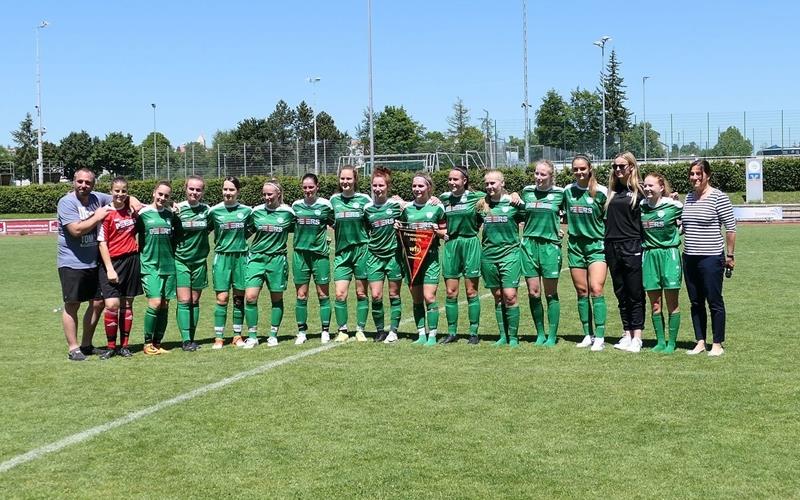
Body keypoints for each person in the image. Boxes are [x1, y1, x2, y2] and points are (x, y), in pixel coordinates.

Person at [681, 159, 736, 356]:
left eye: (699, 174)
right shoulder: (688, 198)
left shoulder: (718, 198)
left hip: (712, 258)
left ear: (708, 175)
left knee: (714, 301)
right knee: (695, 302)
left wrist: (729, 255)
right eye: (692, 174)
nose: (694, 177)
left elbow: (730, 228)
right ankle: (700, 341)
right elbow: (684, 226)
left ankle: (717, 343)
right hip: (689, 257)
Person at [57, 169, 112, 361]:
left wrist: (137, 202)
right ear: (73, 182)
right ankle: (73, 348)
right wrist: (97, 217)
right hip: (72, 263)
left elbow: (123, 196)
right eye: (80, 181)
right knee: (72, 304)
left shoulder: (98, 198)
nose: (83, 185)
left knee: (98, 302)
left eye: (88, 182)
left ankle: (86, 345)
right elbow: (76, 230)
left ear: (93, 184)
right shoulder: (67, 202)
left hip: (94, 263)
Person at [243, 180, 296, 348]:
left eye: (270, 194)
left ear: (278, 194)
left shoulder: (288, 213)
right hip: (256, 259)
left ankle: (273, 334)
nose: (266, 197)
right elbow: (246, 232)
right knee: (250, 297)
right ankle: (252, 336)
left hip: (277, 260)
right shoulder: (256, 212)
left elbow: (301, 229)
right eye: (264, 194)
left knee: (276, 298)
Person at [565, 155, 609, 351]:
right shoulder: (567, 191)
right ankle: (587, 334)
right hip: (575, 246)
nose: (579, 172)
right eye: (575, 169)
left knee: (596, 289)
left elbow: (610, 220)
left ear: (590, 168)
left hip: (596, 246)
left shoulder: (601, 192)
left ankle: (600, 336)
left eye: (582, 168)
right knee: (582, 292)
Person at [604, 152, 647, 353]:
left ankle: (637, 337)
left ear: (631, 166)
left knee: (635, 292)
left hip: (632, 245)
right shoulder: (611, 191)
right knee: (620, 292)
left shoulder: (640, 190)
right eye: (615, 166)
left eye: (622, 166)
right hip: (611, 246)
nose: (618, 169)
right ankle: (627, 332)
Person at [520, 160, 565, 347]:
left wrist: (559, 230)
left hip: (549, 246)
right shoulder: (527, 192)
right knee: (533, 292)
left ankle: (552, 335)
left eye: (543, 174)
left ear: (551, 176)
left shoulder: (561, 193)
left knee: (550, 293)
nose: (539, 178)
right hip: (529, 245)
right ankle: (540, 333)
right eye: (537, 173)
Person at [398, 172, 447, 346]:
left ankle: (432, 335)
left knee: (430, 297)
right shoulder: (406, 209)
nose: (417, 189)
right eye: (414, 186)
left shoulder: (437, 208)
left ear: (429, 187)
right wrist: (397, 227)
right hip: (411, 260)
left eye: (421, 186)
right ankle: (421, 334)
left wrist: (437, 231)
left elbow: (445, 233)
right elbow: (400, 230)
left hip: (431, 259)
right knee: (417, 298)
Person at [97, 177, 143, 359]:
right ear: (111, 191)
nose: (120, 194)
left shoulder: (132, 211)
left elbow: (155, 206)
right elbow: (102, 243)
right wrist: (109, 268)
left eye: (124, 191)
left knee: (127, 304)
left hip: (131, 260)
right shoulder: (106, 213)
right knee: (112, 304)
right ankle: (110, 346)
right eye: (117, 190)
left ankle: (124, 346)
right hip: (112, 263)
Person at [478, 170, 524, 347]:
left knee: (510, 295)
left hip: (510, 254)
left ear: (502, 183)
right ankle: (503, 336)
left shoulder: (513, 202)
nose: (489, 187)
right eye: (487, 184)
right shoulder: (481, 204)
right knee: (497, 296)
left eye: (493, 183)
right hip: (488, 255)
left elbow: (533, 215)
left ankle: (513, 337)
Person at [439, 167, 484, 344]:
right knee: (451, 292)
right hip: (451, 245)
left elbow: (493, 196)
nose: (452, 183)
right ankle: (452, 332)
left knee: (471, 291)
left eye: (455, 179)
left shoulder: (475, 196)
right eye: (450, 179)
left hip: (470, 243)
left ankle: (473, 333)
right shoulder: (443, 199)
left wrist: (514, 196)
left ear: (464, 181)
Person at [208, 177, 252, 349]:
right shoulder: (214, 211)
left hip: (241, 257)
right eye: (225, 189)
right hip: (222, 257)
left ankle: (237, 335)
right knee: (222, 298)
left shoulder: (247, 211)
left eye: (231, 190)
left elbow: (252, 228)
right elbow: (205, 228)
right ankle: (218, 337)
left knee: (239, 298)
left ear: (237, 191)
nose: (228, 193)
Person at [641, 173, 683, 354]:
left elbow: (687, 222)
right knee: (655, 303)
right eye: (645, 185)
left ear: (661, 188)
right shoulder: (641, 206)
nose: (648, 189)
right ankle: (660, 341)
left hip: (669, 255)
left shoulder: (673, 205)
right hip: (650, 255)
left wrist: (679, 230)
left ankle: (672, 343)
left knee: (672, 302)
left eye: (651, 186)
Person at [330, 166, 372, 342]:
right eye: (342, 179)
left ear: (355, 180)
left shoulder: (365, 200)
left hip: (361, 251)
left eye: (348, 179)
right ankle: (342, 330)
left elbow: (375, 217)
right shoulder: (333, 200)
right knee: (340, 294)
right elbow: (326, 220)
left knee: (361, 293)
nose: (345, 182)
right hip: (342, 253)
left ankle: (360, 329)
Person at [291, 173, 335, 344]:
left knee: (323, 294)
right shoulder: (296, 206)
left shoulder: (325, 205)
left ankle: (325, 330)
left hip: (319, 256)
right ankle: (301, 332)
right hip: (300, 255)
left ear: (317, 187)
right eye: (305, 187)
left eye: (311, 187)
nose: (308, 190)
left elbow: (335, 223)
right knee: (301, 295)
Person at [363, 166, 404, 343]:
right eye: (375, 185)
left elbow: (417, 206)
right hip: (374, 256)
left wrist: (433, 199)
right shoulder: (367, 209)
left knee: (394, 294)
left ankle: (393, 330)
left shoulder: (396, 206)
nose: (378, 189)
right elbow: (365, 229)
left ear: (388, 186)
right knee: (376, 295)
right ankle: (380, 330)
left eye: (381, 185)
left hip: (393, 256)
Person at [136, 181, 177, 355]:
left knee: (165, 305)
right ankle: (147, 344)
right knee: (155, 302)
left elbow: (177, 238)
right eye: (160, 194)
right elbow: (135, 236)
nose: (162, 198)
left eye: (166, 195)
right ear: (154, 193)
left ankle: (158, 343)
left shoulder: (171, 215)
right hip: (150, 265)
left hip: (169, 265)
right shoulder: (143, 214)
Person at [173, 175, 210, 351]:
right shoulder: (177, 209)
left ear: (203, 192)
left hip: (200, 261)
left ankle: (192, 338)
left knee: (195, 300)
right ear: (185, 189)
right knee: (184, 300)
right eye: (191, 189)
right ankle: (186, 340)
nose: (194, 192)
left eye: (198, 189)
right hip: (180, 260)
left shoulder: (207, 210)